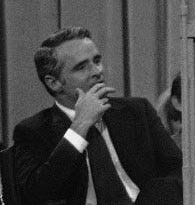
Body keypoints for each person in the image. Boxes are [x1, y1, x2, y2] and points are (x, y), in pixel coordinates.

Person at [12, 27, 182, 205]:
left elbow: (177, 170)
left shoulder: (137, 111)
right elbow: (36, 193)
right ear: (54, 83)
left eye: (97, 61)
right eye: (82, 67)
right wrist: (79, 127)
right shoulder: (32, 131)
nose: (97, 71)